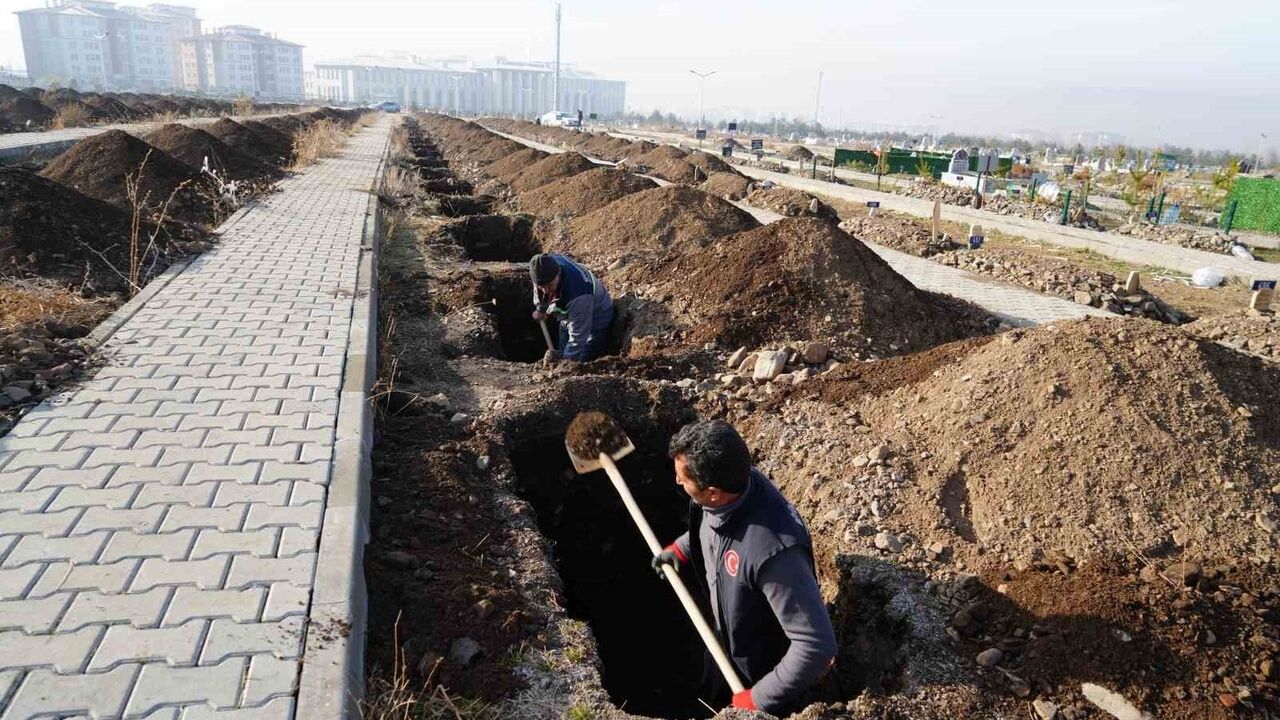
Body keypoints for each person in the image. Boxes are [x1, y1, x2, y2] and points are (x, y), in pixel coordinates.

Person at [653, 420, 836, 715]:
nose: (677, 483)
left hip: (757, 670)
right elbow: (715, 523)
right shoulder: (731, 484)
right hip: (725, 638)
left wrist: (758, 698)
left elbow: (815, 646)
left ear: (712, 492)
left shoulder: (776, 555)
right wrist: (682, 548)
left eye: (681, 479)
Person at [529, 252, 614, 362]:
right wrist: (541, 308)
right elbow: (541, 289)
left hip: (595, 320)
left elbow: (578, 338)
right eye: (541, 286)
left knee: (580, 359)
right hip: (568, 315)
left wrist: (566, 363)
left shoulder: (578, 292)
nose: (546, 290)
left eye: (549, 285)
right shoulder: (542, 268)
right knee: (564, 348)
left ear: (558, 273)